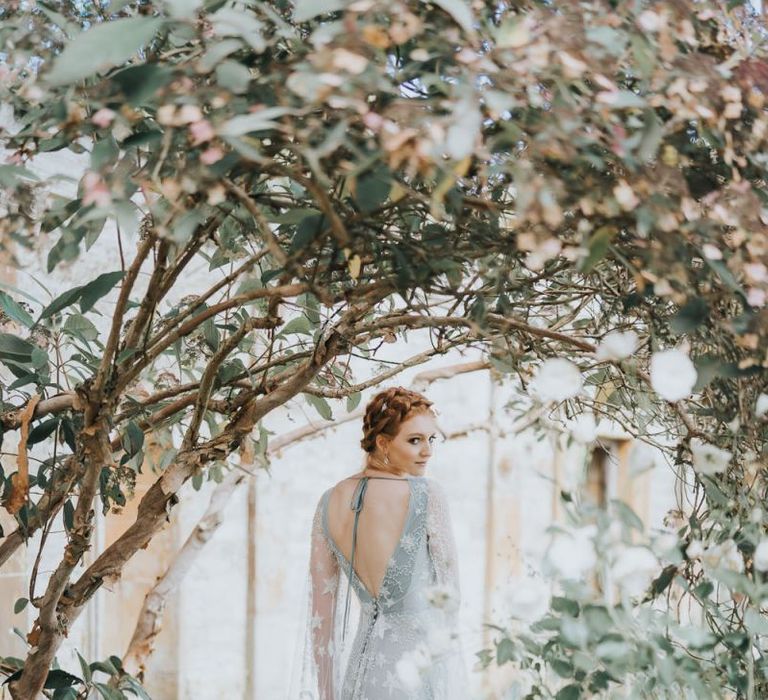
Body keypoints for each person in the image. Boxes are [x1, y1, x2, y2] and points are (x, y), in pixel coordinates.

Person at [289, 386, 470, 699]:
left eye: (431, 439)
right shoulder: (427, 495)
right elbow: (449, 599)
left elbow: (321, 620)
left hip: (359, 678)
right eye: (415, 440)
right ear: (383, 442)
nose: (428, 451)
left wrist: (328, 694)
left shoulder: (328, 502)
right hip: (414, 674)